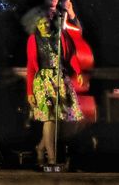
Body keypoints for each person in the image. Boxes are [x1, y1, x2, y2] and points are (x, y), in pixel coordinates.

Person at [25, 9, 84, 166]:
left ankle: (40, 148)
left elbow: (71, 56)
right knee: (49, 118)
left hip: (59, 80)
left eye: (46, 23)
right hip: (43, 81)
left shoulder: (60, 36)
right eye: (40, 24)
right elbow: (31, 66)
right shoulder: (33, 39)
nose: (44, 26)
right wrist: (30, 92)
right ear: (36, 25)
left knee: (57, 119)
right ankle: (52, 159)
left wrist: (78, 71)